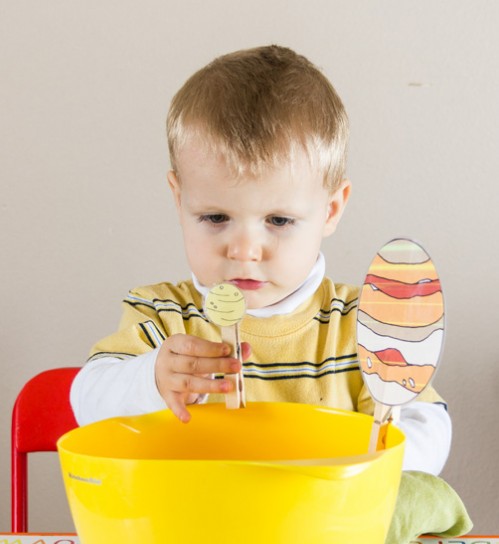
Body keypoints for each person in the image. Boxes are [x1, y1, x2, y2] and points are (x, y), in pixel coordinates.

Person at [70, 45, 451, 475]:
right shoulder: (160, 316)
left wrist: (383, 465)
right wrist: (151, 379)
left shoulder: (363, 324)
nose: (244, 250)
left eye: (279, 220)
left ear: (330, 210)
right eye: (215, 217)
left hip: (321, 535)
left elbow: (427, 422)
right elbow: (86, 401)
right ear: (180, 201)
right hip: (195, 533)